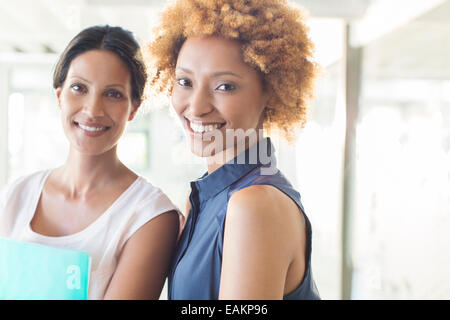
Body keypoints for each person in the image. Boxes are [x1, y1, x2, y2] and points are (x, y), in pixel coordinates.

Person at [147, 0, 320, 299]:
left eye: (224, 86)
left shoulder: (254, 205)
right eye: (185, 81)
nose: (197, 107)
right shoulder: (207, 197)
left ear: (271, 90)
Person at [0, 25, 180, 300]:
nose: (93, 110)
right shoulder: (16, 195)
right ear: (59, 95)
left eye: (113, 94)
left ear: (133, 108)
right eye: (78, 88)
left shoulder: (150, 216)